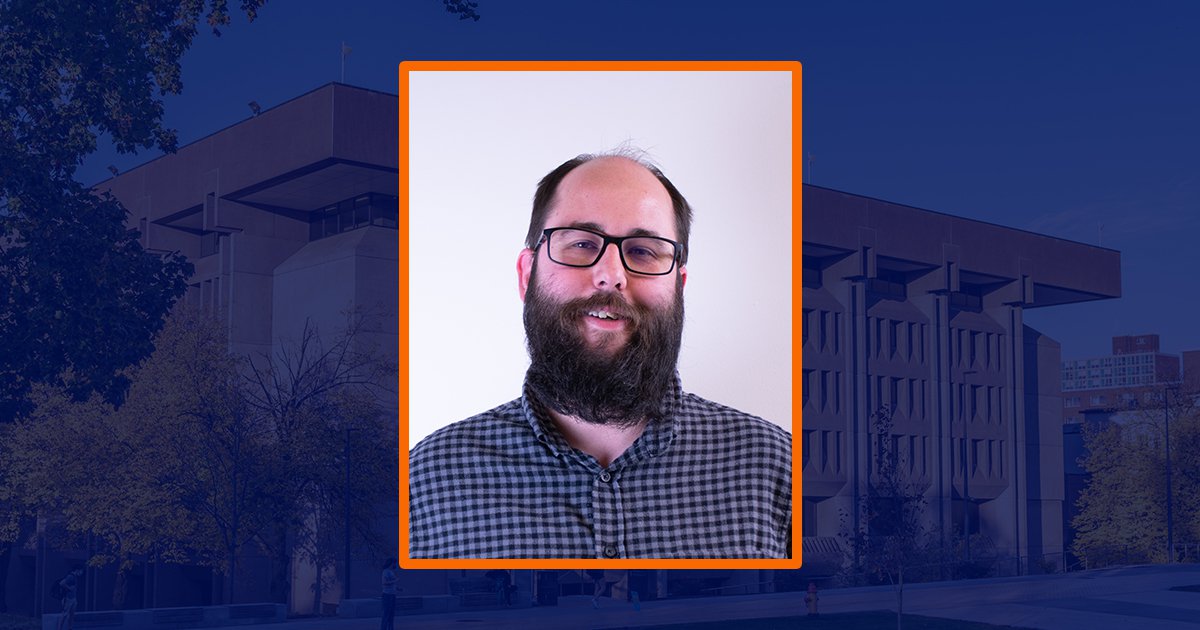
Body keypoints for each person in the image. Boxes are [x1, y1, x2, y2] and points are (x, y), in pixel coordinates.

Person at [409, 151, 791, 559]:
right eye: (580, 244)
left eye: (644, 251)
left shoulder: (776, 468)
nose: (612, 274)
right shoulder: (425, 481)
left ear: (679, 287)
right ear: (526, 275)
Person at [379, 558, 398, 630]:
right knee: (386, 614)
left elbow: (391, 583)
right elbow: (384, 582)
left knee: (391, 614)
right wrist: (395, 580)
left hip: (392, 595)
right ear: (391, 563)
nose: (395, 565)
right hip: (387, 595)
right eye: (394, 563)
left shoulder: (391, 572)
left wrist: (397, 588)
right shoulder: (385, 572)